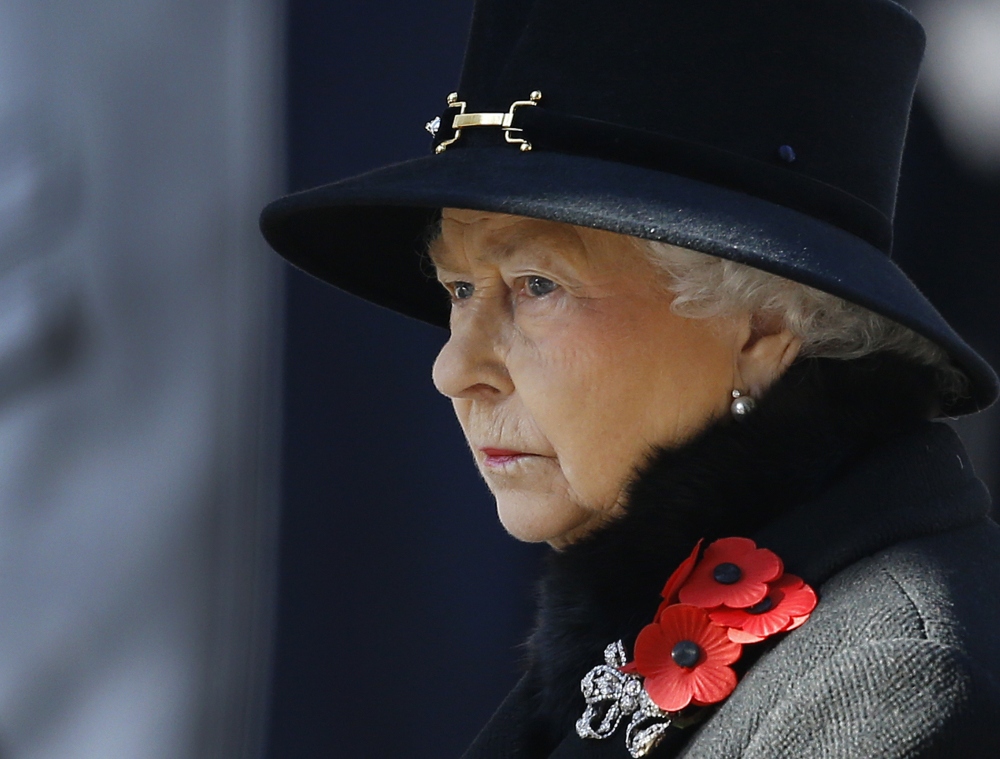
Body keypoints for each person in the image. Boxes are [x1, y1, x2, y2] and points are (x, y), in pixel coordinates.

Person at [260, 0, 1000, 756]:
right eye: (458, 289)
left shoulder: (888, 681)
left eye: (537, 284)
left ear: (765, 326)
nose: (455, 369)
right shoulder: (647, 613)